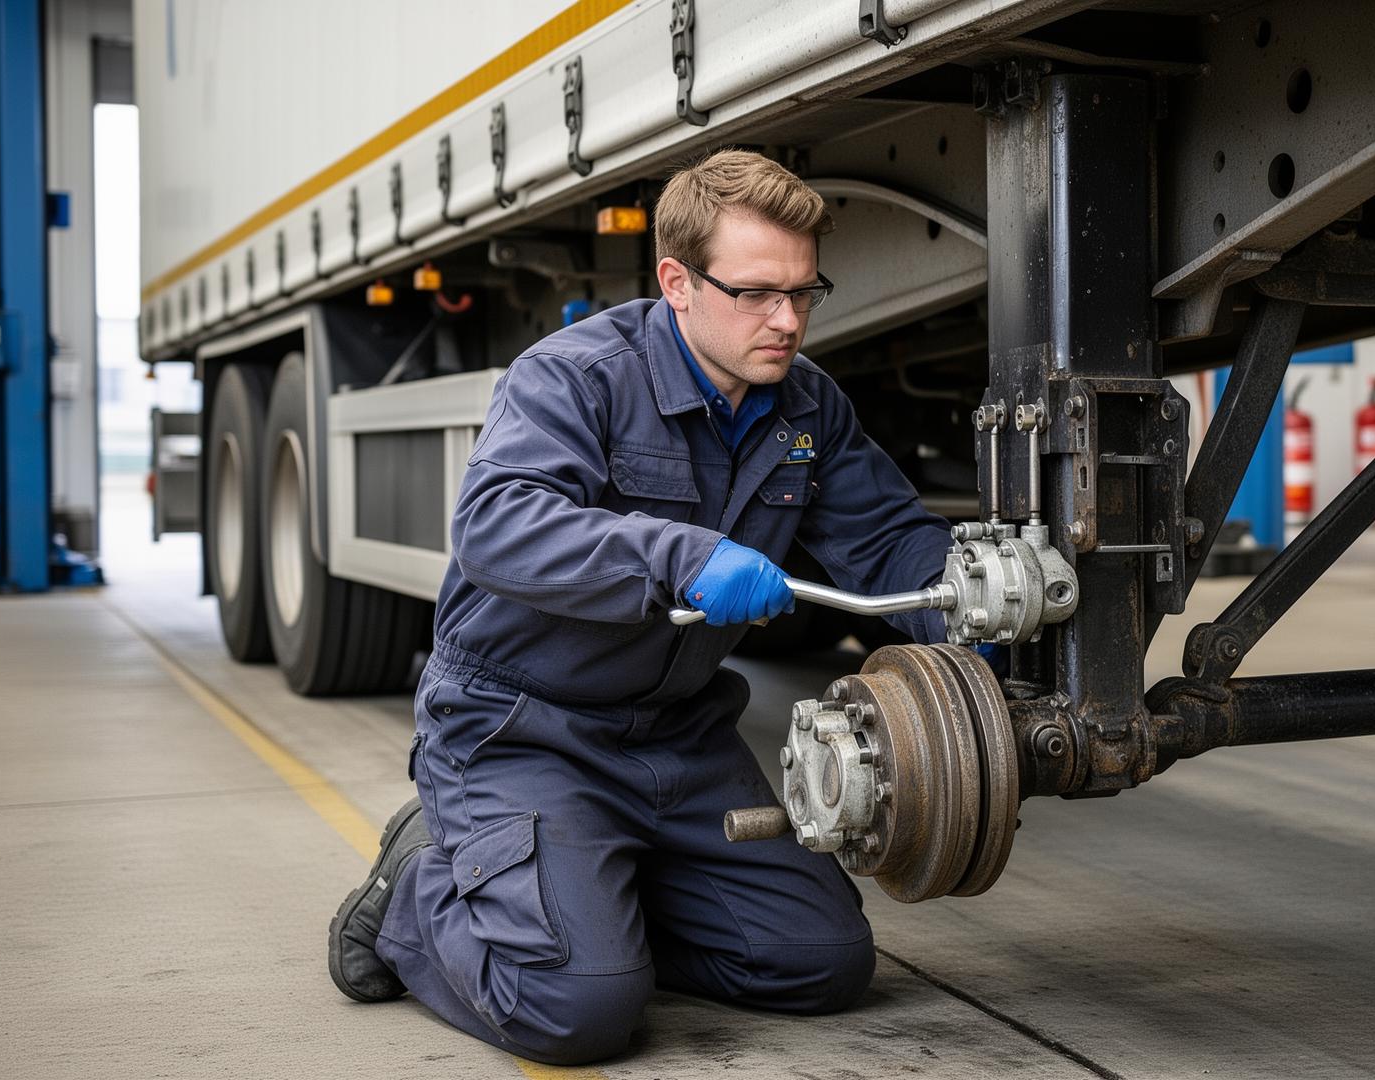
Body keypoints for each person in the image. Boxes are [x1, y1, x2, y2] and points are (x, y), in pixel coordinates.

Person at [327, 150, 955, 1064]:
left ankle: (585, 899)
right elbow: (495, 526)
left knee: (822, 960)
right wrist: (683, 556)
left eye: (804, 290)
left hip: (678, 738)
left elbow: (893, 547)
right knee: (574, 1010)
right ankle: (421, 891)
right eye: (755, 293)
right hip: (523, 730)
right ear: (677, 281)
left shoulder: (806, 407)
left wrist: (977, 601)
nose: (787, 321)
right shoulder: (576, 377)